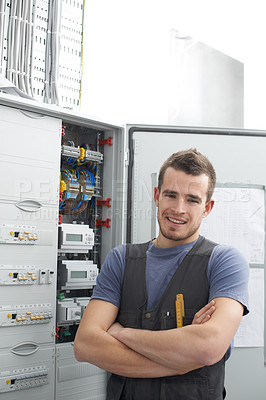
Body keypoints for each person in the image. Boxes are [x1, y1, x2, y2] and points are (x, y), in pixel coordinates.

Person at [74, 148, 249, 400]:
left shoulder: (225, 262)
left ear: (207, 207)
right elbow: (86, 345)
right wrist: (184, 359)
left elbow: (209, 347)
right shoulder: (121, 260)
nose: (178, 209)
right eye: (171, 195)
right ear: (157, 196)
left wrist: (121, 333)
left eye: (192, 199)